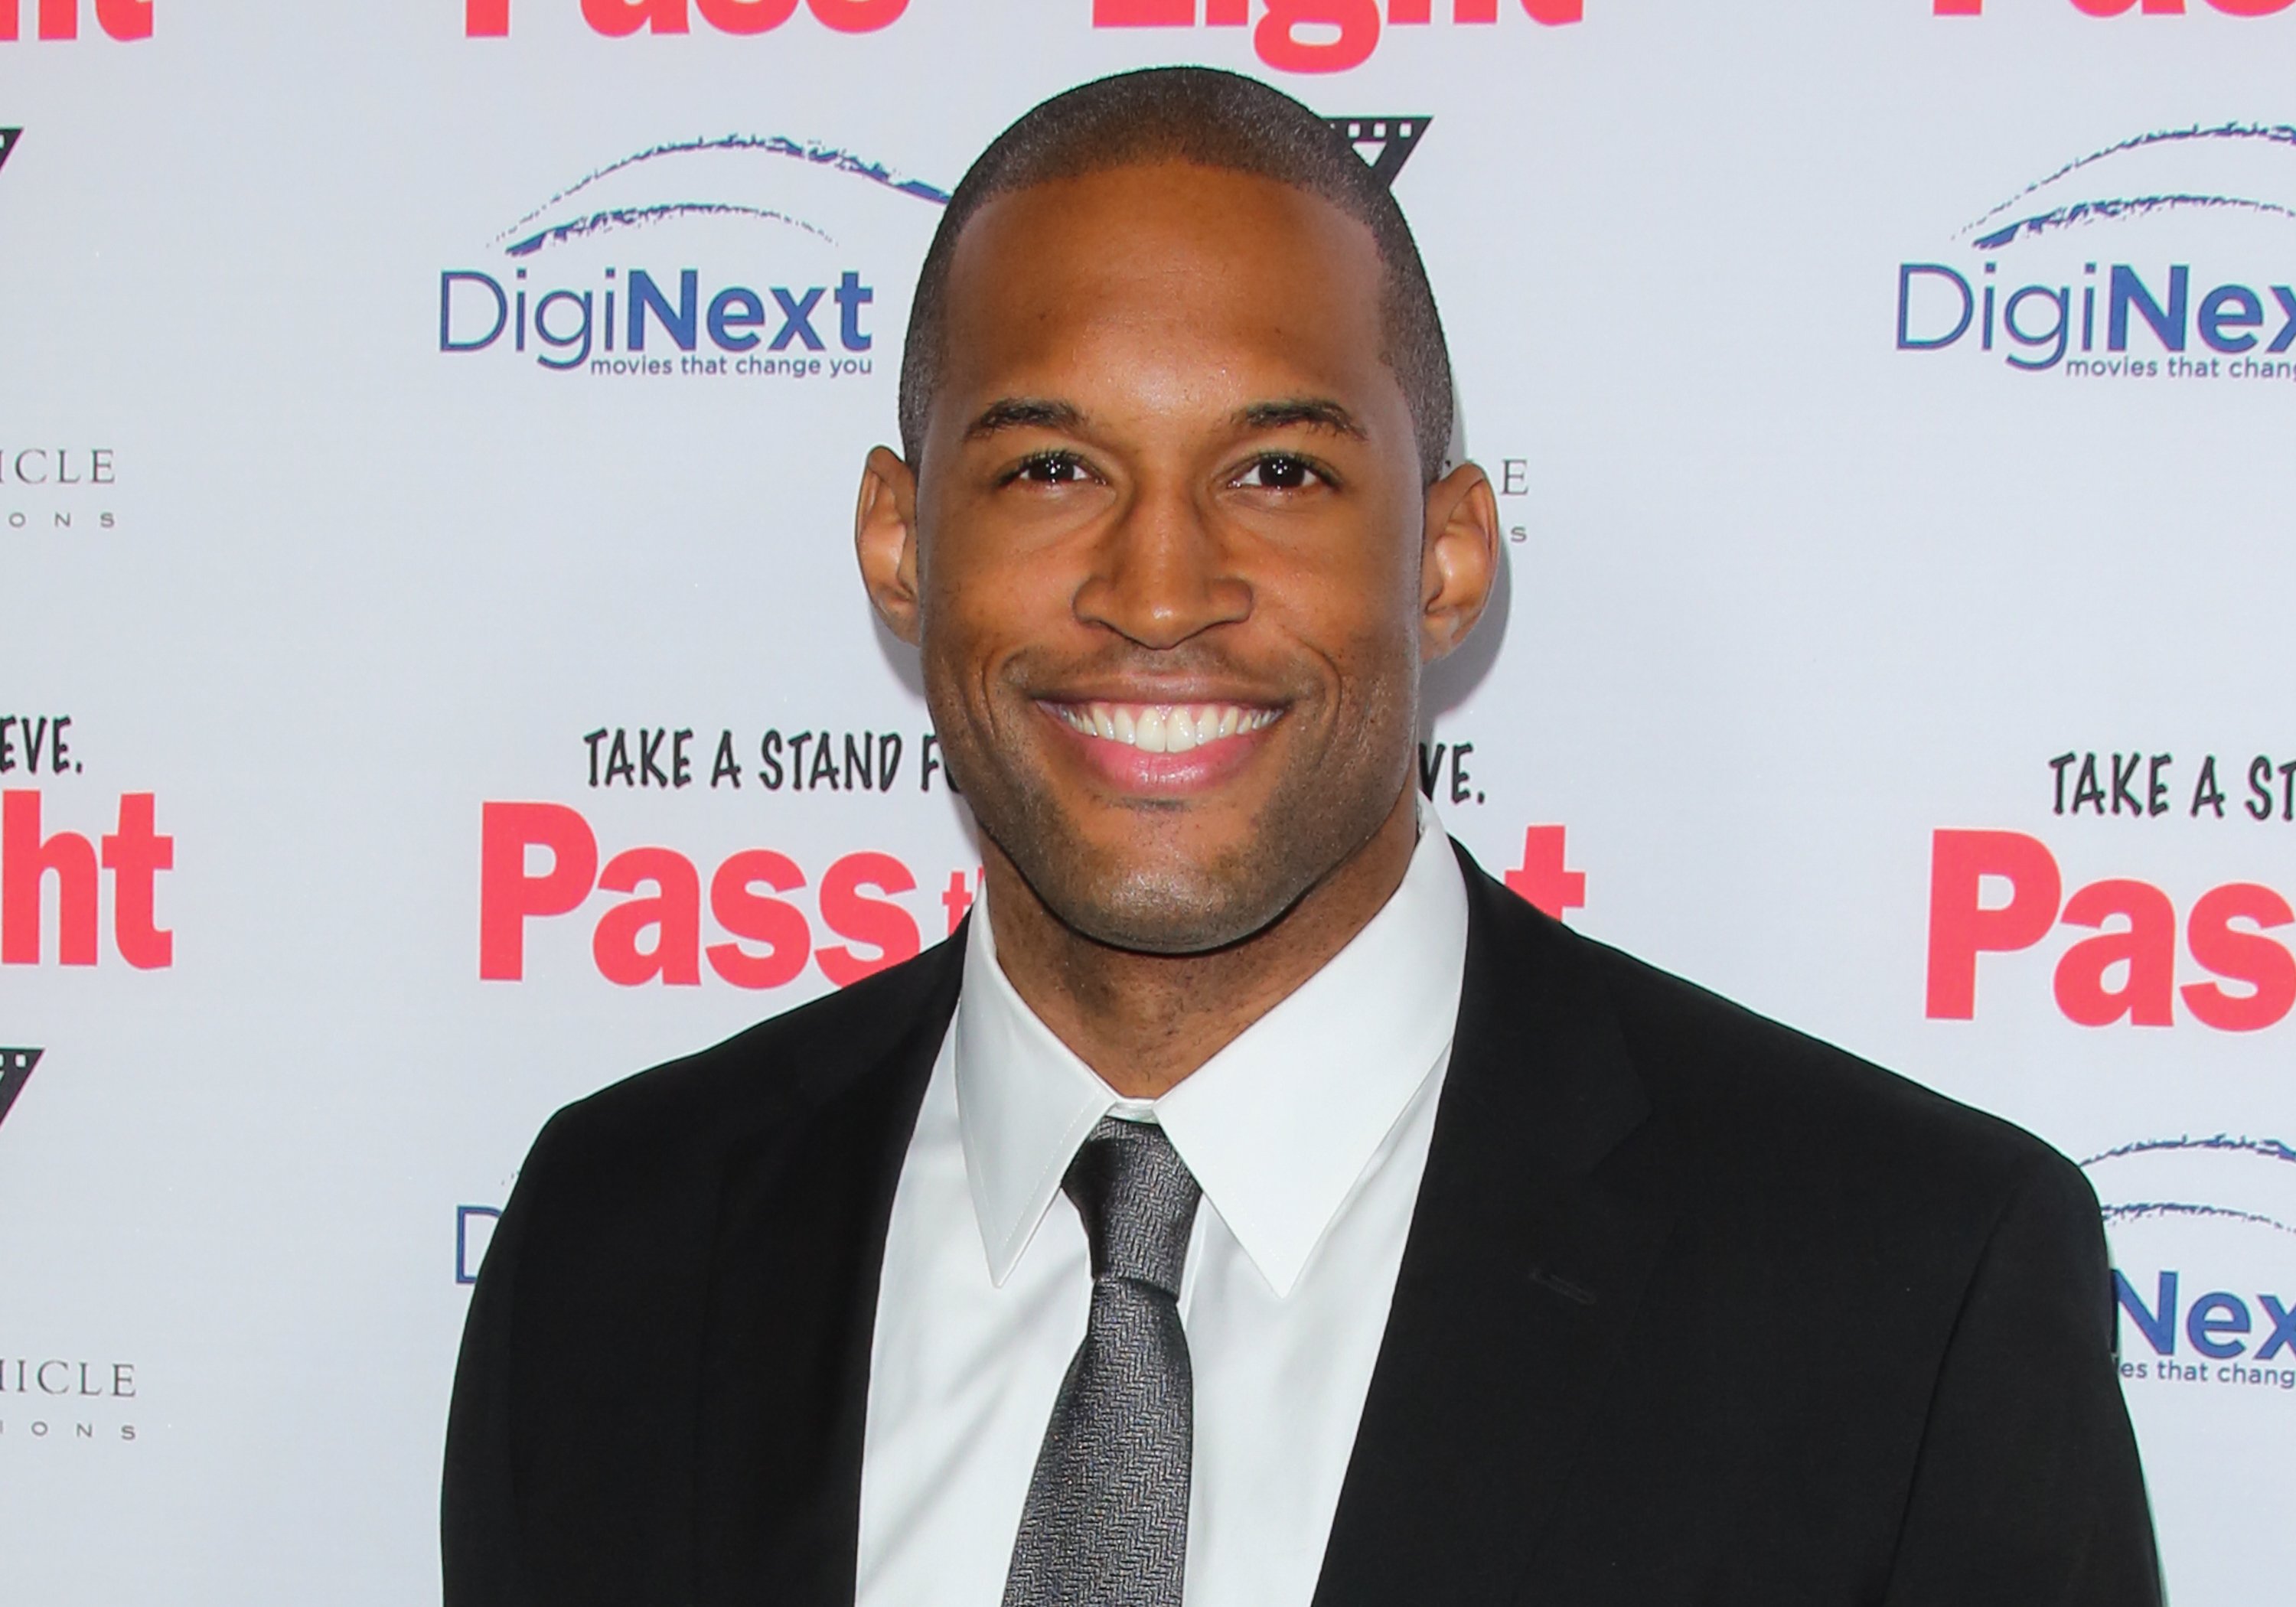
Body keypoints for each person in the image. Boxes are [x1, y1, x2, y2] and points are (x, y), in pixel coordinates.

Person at [442, 66, 2161, 1607]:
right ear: (901, 544)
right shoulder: (620, 1243)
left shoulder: (1905, 1291)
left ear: (1449, 556)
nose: (1159, 591)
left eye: (1278, 473)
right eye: (1051, 470)